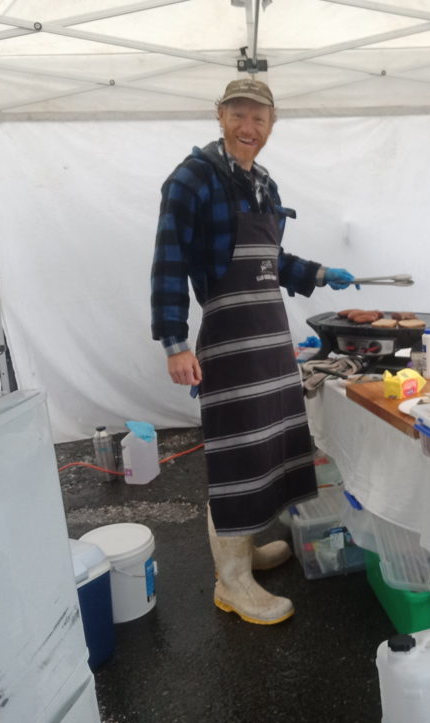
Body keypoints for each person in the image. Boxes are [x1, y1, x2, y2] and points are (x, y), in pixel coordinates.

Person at [150, 78, 358, 625]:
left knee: (268, 449)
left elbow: (272, 259)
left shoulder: (262, 182)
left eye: (259, 119)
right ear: (219, 115)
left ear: (272, 124)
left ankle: (245, 549)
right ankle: (232, 580)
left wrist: (317, 274)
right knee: (236, 457)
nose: (249, 128)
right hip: (228, 340)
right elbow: (168, 260)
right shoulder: (192, 179)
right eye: (239, 115)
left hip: (270, 339)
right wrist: (174, 343)